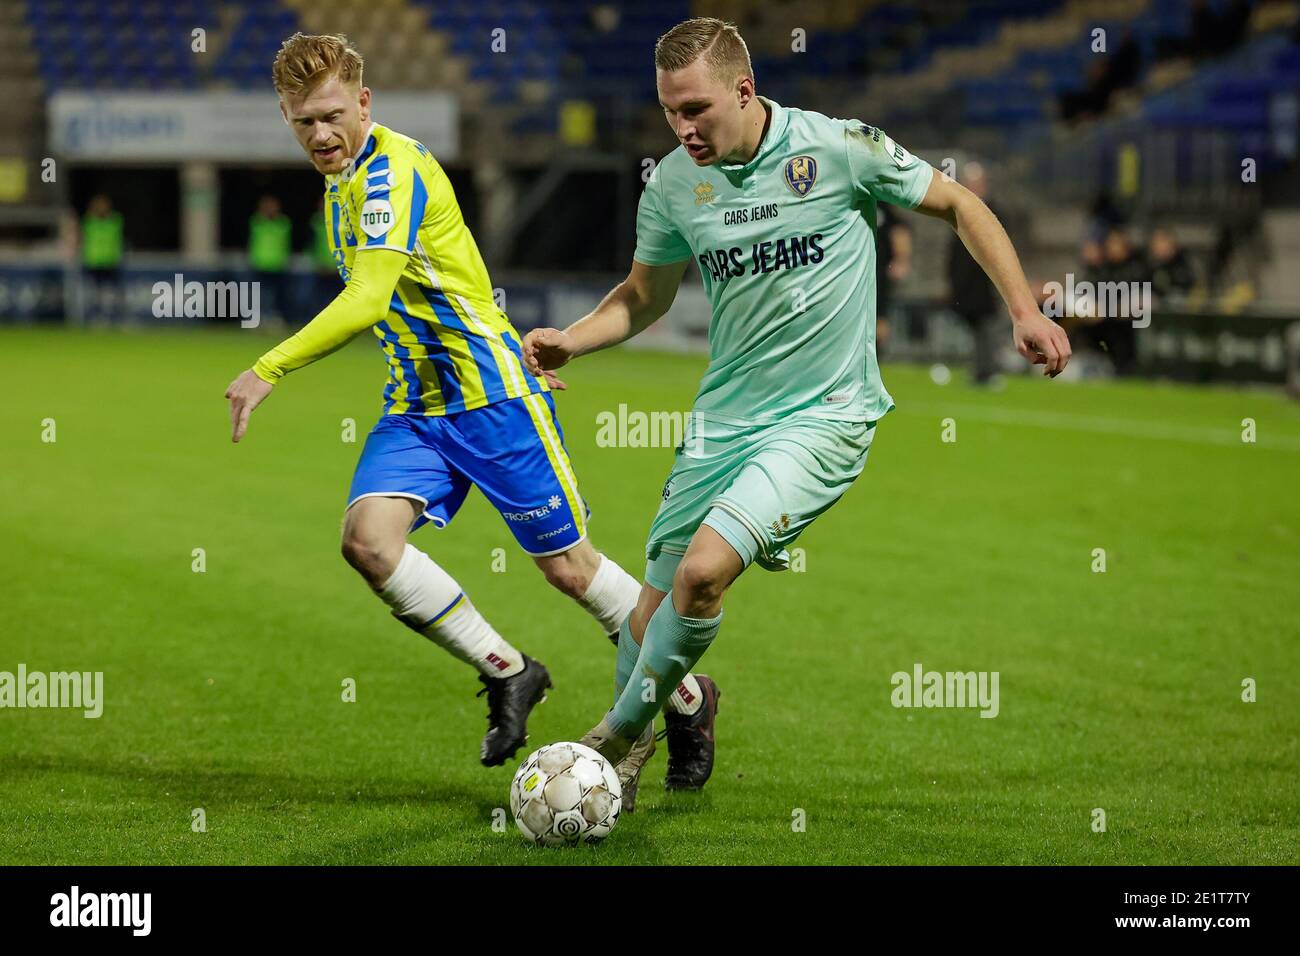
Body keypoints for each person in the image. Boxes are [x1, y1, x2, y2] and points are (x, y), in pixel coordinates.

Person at [522, 18, 1070, 777]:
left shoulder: (838, 147)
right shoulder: (676, 184)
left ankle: (612, 746)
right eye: (669, 112)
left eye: (697, 110)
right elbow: (643, 296)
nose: (681, 129)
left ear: (745, 90)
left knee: (702, 573)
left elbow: (960, 206)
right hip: (724, 421)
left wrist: (1022, 310)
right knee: (647, 620)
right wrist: (572, 340)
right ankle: (688, 709)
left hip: (826, 416)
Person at [222, 34, 715, 807]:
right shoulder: (338, 188)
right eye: (301, 123)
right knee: (368, 543)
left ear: (364, 103)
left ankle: (687, 701)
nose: (319, 135)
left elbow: (368, 299)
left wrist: (269, 366)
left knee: (569, 570)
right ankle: (511, 671)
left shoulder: (393, 170)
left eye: (329, 116)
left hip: (493, 402)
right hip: (417, 409)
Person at [946, 162, 1002, 385]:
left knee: (986, 328)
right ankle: (980, 369)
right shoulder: (959, 210)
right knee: (977, 329)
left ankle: (988, 371)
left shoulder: (994, 210)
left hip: (984, 282)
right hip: (966, 284)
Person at [248, 195, 293, 323]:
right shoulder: (257, 221)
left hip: (277, 264)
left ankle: (273, 317)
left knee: (276, 294)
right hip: (260, 264)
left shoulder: (283, 223)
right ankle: (260, 317)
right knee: (260, 293)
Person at [81, 194, 124, 322]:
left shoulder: (115, 221)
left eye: (104, 206)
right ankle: (95, 318)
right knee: (94, 294)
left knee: (114, 293)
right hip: (93, 262)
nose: (102, 208)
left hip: (111, 262)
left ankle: (116, 318)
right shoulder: (88, 222)